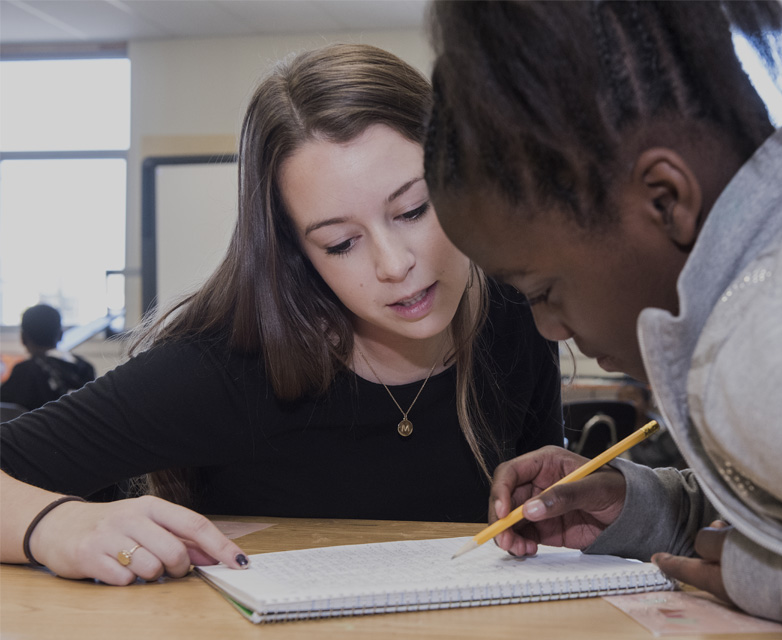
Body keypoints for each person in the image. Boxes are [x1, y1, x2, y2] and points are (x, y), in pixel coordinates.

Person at [423, 2, 782, 638]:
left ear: (665, 199)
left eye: (543, 292)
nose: (547, 329)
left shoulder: (778, 346)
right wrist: (648, 507)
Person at [0, 43, 563, 585]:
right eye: (341, 243)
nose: (395, 265)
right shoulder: (229, 367)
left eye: (415, 209)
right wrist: (56, 525)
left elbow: (539, 533)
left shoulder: (517, 312)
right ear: (295, 252)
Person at [1, 304, 96, 412]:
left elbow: (6, 411)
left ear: (23, 338)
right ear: (61, 334)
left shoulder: (23, 372)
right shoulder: (85, 368)